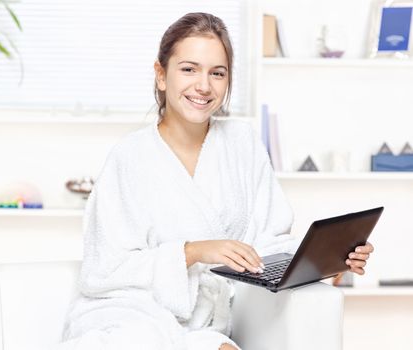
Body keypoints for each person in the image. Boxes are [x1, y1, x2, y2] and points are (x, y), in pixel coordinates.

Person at [58, 12, 374, 350]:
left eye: (217, 73)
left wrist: (326, 261)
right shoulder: (128, 157)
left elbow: (267, 245)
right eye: (189, 69)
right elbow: (103, 270)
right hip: (129, 314)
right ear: (161, 75)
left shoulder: (243, 143)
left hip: (204, 322)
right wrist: (193, 251)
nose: (204, 86)